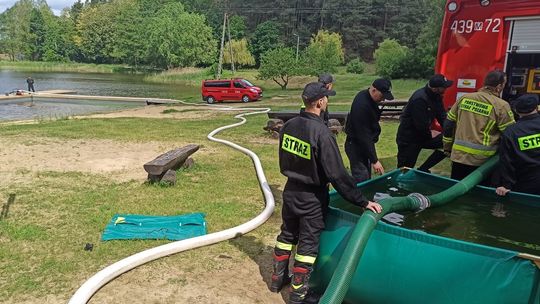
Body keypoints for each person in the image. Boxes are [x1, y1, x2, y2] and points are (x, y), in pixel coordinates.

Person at [271, 82, 382, 304]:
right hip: (312, 197)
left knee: (286, 235)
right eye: (326, 98)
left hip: (291, 190)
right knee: (307, 245)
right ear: (320, 102)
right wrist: (361, 201)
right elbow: (338, 175)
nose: (327, 101)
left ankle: (276, 280)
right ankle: (297, 295)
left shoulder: (288, 126)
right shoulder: (322, 133)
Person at [443, 70, 515, 181]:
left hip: (459, 157)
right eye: (504, 84)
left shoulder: (464, 98)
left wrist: (447, 148)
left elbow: (448, 124)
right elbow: (509, 133)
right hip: (484, 161)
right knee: (478, 194)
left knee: (457, 190)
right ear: (499, 86)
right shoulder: (502, 106)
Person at [396, 74, 453, 172]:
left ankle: (422, 170)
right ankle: (398, 185)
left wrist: (448, 130)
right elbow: (421, 125)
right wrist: (431, 134)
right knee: (405, 169)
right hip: (409, 138)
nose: (446, 89)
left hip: (422, 135)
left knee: (448, 142)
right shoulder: (420, 99)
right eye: (444, 87)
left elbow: (442, 115)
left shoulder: (437, 97)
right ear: (436, 89)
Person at [344, 78, 394, 183]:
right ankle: (359, 198)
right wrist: (374, 160)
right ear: (374, 90)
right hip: (355, 145)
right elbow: (364, 136)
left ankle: (365, 198)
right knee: (362, 178)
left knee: (366, 176)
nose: (383, 100)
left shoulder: (368, 97)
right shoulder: (362, 106)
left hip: (362, 144)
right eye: (382, 96)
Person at [495, 94, 540, 196]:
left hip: (525, 186)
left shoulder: (511, 131)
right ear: (536, 107)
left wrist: (506, 185)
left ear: (516, 111)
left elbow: (506, 160)